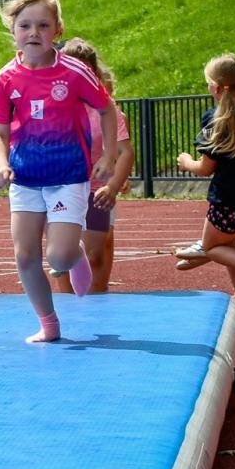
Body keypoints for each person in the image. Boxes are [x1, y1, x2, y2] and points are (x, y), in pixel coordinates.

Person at [0, 0, 118, 342]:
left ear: (57, 30)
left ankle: (73, 257)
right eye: (25, 26)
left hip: (67, 177)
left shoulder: (75, 72)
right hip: (26, 178)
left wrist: (108, 155)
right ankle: (48, 323)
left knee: (58, 258)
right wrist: (1, 164)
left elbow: (107, 109)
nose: (34, 33)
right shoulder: (6, 78)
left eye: (43, 26)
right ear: (13, 31)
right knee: (26, 256)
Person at [173, 53, 235, 312]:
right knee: (228, 243)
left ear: (216, 87)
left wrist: (186, 162)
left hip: (227, 199)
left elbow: (206, 168)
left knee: (213, 246)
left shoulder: (216, 118)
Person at [46, 38, 134, 295]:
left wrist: (114, 185)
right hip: (60, 188)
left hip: (97, 189)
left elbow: (124, 150)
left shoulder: (106, 108)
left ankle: (97, 300)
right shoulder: (51, 105)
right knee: (62, 257)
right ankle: (65, 305)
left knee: (95, 253)